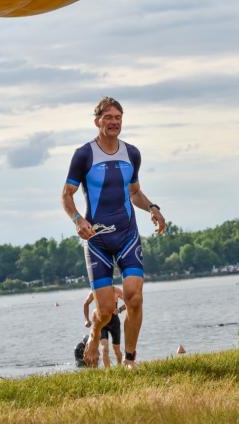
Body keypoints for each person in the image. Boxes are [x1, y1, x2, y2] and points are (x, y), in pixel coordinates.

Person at [61, 97, 166, 369]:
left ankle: (129, 359)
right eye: (108, 117)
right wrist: (77, 220)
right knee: (106, 310)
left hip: (127, 236)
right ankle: (94, 333)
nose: (113, 122)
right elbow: (67, 195)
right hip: (97, 240)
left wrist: (152, 207)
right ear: (97, 121)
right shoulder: (84, 155)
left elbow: (134, 192)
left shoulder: (132, 154)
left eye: (118, 117)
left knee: (134, 296)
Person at [83, 286, 126, 367]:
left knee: (116, 350)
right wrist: (87, 320)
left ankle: (120, 368)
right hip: (102, 323)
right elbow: (86, 303)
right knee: (104, 349)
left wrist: (120, 309)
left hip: (114, 322)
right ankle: (108, 371)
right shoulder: (95, 290)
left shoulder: (116, 290)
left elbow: (129, 301)